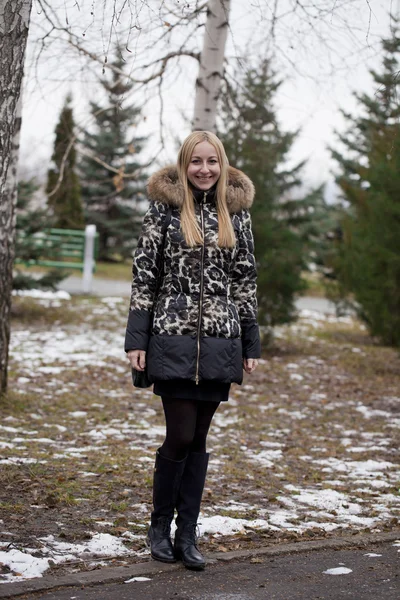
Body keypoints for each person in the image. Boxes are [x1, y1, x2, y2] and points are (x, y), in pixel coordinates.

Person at [125, 130, 260, 571]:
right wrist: (136, 339)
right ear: (184, 166)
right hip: (171, 339)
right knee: (180, 436)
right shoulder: (163, 213)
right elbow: (145, 277)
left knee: (199, 440)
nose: (204, 169)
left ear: (222, 166)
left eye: (212, 162)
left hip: (221, 343)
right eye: (196, 162)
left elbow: (244, 282)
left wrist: (250, 340)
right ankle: (159, 526)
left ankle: (187, 535)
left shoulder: (237, 216)